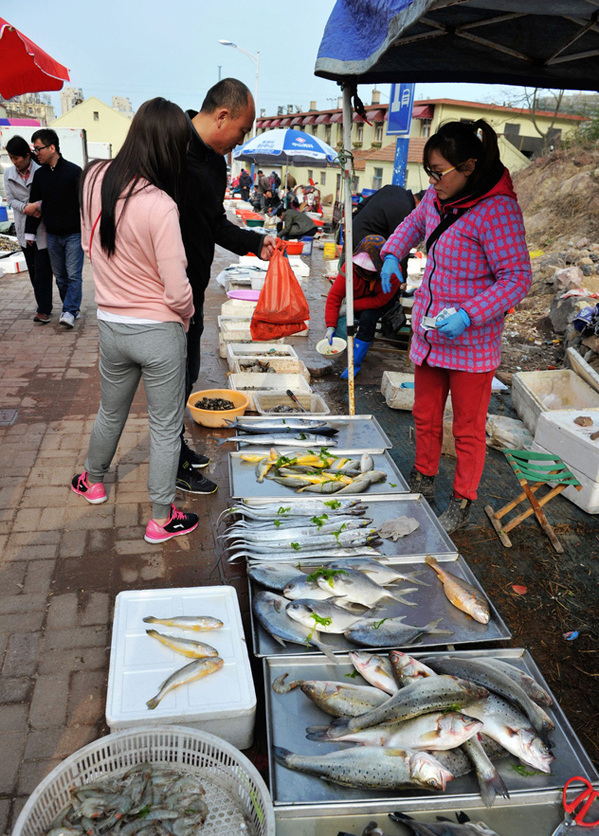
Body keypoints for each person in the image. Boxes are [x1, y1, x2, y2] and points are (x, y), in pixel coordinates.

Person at [380, 119, 532, 534]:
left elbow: (517, 278)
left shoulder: (497, 210)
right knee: (425, 416)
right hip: (430, 337)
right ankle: (423, 479)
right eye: (428, 171)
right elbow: (412, 225)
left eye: (439, 172)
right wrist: (392, 253)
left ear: (468, 166)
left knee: (467, 429)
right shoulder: (437, 197)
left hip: (472, 344)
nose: (432, 181)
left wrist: (469, 313)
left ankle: (463, 499)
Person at [72, 97, 197, 544]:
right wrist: (188, 315)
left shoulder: (93, 178)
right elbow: (177, 288)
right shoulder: (160, 203)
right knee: (165, 427)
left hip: (110, 324)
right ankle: (161, 518)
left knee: (111, 409)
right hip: (159, 331)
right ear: (167, 146)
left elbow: (90, 247)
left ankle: (93, 480)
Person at [180, 78, 275, 493]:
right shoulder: (168, 147)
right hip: (161, 292)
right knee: (169, 383)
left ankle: (176, 449)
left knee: (188, 373)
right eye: (241, 129)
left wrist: (256, 242)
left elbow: (214, 223)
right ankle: (170, 469)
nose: (240, 140)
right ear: (222, 116)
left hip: (193, 287)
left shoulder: (216, 164)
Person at [24, 128, 84, 329]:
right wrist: (30, 232)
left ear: (52, 147)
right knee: (60, 277)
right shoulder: (40, 176)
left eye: (38, 149)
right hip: (52, 235)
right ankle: (70, 308)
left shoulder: (74, 172)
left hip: (74, 234)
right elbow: (34, 204)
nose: (36, 154)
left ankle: (69, 311)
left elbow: (85, 204)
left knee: (74, 275)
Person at [325, 235, 400, 378]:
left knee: (368, 318)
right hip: (358, 298)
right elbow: (334, 297)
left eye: (370, 269)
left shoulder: (392, 272)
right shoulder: (349, 268)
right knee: (341, 322)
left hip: (382, 301)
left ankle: (356, 363)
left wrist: (350, 307)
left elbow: (379, 301)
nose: (366, 272)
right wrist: (330, 326)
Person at [4, 136, 54, 323]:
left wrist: (38, 207)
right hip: (24, 226)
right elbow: (10, 199)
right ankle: (42, 303)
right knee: (33, 271)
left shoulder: (41, 171)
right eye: (11, 158)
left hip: (42, 228)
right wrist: (27, 207)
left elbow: (49, 196)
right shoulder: (9, 174)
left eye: (17, 158)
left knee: (42, 270)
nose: (14, 162)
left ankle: (44, 309)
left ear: (27, 155)